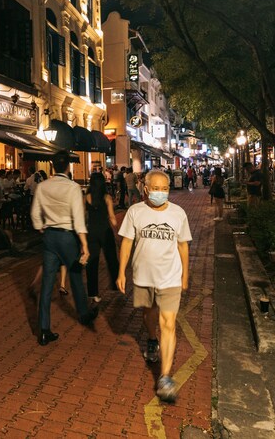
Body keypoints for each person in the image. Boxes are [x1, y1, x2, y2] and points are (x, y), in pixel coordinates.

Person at [116, 170, 191, 403]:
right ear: (146, 189)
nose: (160, 193)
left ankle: (165, 376)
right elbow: (127, 242)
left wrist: (185, 275)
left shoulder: (178, 214)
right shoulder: (135, 212)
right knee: (149, 314)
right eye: (156, 188)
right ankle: (151, 339)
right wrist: (121, 272)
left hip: (170, 277)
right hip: (143, 276)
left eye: (164, 188)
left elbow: (183, 247)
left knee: (168, 323)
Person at [30, 151, 96, 346]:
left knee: (48, 283)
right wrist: (84, 244)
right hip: (67, 236)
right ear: (68, 166)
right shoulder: (73, 188)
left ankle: (43, 329)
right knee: (75, 275)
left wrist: (40, 227)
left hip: (50, 235)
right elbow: (78, 218)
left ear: (52, 166)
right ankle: (83, 314)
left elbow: (35, 213)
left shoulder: (43, 186)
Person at [85, 173, 119, 302]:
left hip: (91, 232)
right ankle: (116, 284)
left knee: (92, 263)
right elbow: (112, 217)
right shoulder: (107, 198)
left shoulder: (86, 197)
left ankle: (93, 292)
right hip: (105, 231)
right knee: (111, 259)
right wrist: (116, 230)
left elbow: (84, 216)